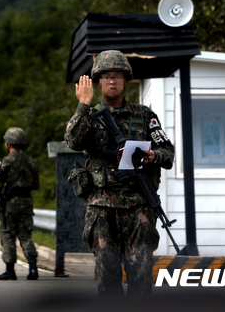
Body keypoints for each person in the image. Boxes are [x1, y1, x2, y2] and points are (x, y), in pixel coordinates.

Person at [64, 50, 175, 297]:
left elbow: (167, 151)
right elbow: (72, 141)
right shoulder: (89, 117)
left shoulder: (144, 115)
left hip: (139, 208)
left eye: (117, 76)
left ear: (126, 80)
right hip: (101, 207)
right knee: (107, 277)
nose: (112, 81)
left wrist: (153, 156)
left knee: (141, 275)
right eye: (106, 76)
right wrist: (82, 105)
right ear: (98, 81)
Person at [0, 127, 40, 281]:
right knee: (25, 235)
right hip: (26, 202)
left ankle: (10, 271)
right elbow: (35, 185)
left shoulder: (5, 161)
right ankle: (33, 269)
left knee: (7, 234)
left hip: (9, 204)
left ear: (8, 144)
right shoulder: (31, 162)